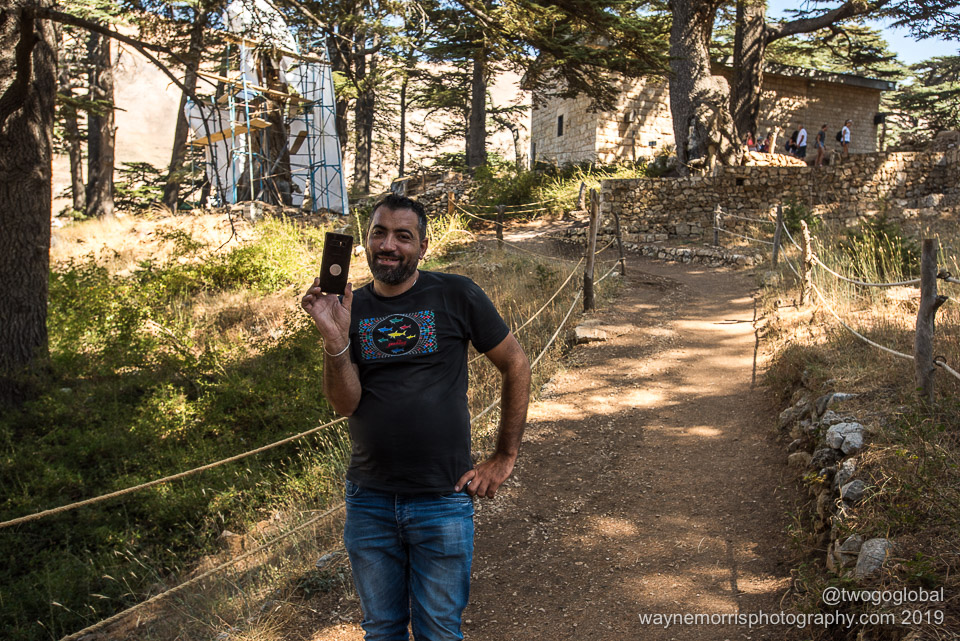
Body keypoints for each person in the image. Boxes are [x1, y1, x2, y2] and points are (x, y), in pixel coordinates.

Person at [300, 194, 531, 641]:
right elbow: (345, 404)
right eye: (379, 233)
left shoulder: (456, 294)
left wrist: (504, 457)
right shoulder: (350, 307)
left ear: (423, 247)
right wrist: (334, 338)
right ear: (366, 241)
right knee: (381, 630)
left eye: (403, 236)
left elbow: (516, 364)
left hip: (442, 497)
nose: (388, 245)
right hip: (369, 500)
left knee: (438, 631)